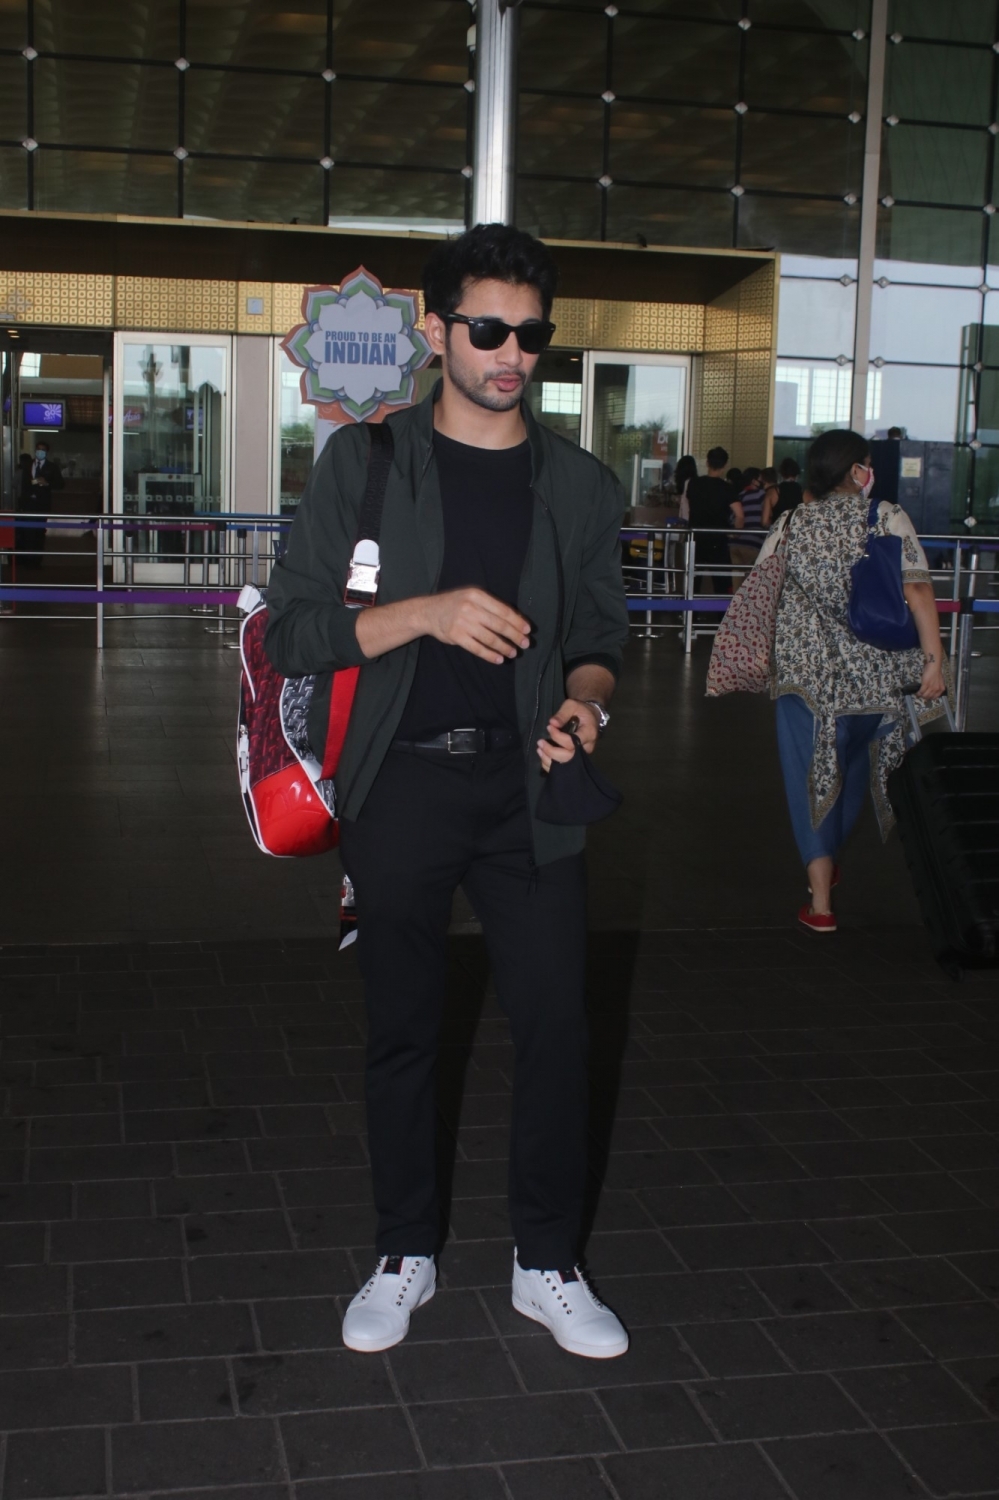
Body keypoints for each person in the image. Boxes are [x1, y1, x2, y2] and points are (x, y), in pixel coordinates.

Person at [264, 223, 631, 1360]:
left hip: (528, 791)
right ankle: (404, 1251)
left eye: (530, 333)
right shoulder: (365, 463)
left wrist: (587, 704)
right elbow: (293, 630)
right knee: (404, 1031)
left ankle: (548, 1262)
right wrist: (425, 611)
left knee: (559, 1027)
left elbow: (600, 635)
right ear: (436, 332)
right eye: (486, 329)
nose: (510, 353)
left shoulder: (576, 482)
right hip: (403, 791)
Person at [754, 428, 947, 934]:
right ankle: (830, 862)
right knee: (854, 773)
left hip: (808, 683)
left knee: (809, 781)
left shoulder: (790, 524)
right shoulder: (887, 517)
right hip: (876, 683)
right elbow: (920, 593)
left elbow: (759, 594)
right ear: (858, 471)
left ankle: (820, 904)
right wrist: (934, 661)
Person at [686, 446, 735, 601]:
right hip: (718, 539)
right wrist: (735, 532)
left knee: (693, 580)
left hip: (696, 537)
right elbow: (739, 513)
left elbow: (688, 508)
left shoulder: (694, 484)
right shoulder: (727, 488)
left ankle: (690, 617)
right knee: (721, 580)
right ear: (725, 465)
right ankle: (722, 618)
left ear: (707, 462)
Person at [16, 438, 62, 568]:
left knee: (39, 532)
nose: (39, 452)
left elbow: (60, 484)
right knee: (27, 532)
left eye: (42, 450)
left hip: (42, 504)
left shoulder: (51, 467)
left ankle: (36, 560)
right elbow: (24, 484)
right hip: (27, 504)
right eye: (38, 449)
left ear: (46, 452)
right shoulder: (28, 465)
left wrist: (47, 483)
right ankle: (26, 560)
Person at [729, 466, 766, 571]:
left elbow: (732, 518)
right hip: (753, 543)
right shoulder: (761, 495)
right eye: (760, 479)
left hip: (734, 544)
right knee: (751, 582)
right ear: (754, 481)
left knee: (737, 580)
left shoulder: (739, 496)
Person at [770, 457, 803, 524]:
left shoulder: (774, 491)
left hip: (778, 530)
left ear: (781, 473)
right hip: (796, 529)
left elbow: (764, 521)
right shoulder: (803, 492)